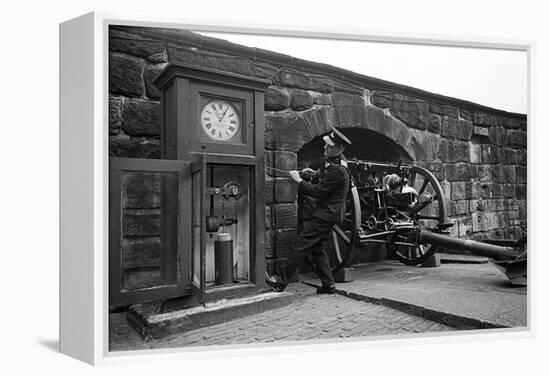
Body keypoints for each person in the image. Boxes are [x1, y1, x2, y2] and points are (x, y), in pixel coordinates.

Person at [287, 127, 352, 294]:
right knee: (318, 249)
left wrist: (299, 181)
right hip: (330, 214)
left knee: (300, 245)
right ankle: (328, 285)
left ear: (340, 149)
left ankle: (279, 281)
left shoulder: (338, 169)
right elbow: (326, 180)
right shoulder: (335, 165)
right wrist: (313, 175)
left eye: (330, 147)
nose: (325, 148)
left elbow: (318, 192)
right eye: (326, 146)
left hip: (325, 215)